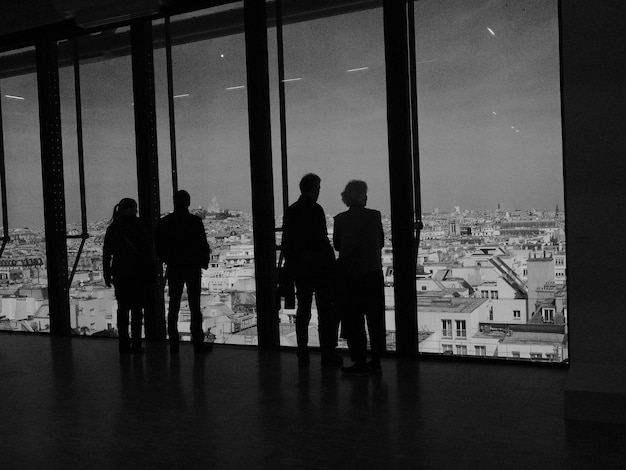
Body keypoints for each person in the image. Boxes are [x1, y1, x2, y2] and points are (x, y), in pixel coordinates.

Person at [282, 173, 342, 368]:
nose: (319, 191)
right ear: (312, 188)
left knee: (303, 310)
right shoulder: (316, 210)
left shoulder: (291, 210)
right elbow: (321, 239)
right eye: (318, 188)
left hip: (300, 268)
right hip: (319, 268)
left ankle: (303, 353)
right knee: (325, 311)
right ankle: (327, 354)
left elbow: (287, 242)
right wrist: (332, 261)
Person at [333, 180, 385, 375]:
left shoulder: (339, 220)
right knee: (375, 320)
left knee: (355, 321)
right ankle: (377, 360)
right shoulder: (374, 216)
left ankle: (360, 361)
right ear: (364, 196)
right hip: (372, 274)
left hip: (351, 276)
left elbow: (338, 246)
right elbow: (380, 242)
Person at [156, 190, 212, 354]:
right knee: (195, 306)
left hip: (175, 267)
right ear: (188, 202)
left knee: (173, 307)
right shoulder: (195, 221)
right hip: (192, 267)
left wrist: (169, 259)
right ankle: (198, 344)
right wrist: (203, 262)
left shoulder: (166, 221)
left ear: (174, 202)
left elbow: (159, 245)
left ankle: (173, 344)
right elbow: (202, 244)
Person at [103, 198, 152, 354]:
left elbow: (106, 254)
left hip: (120, 273)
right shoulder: (139, 226)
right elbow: (147, 250)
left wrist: (106, 273)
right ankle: (136, 344)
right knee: (137, 311)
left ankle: (123, 344)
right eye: (135, 208)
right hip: (138, 273)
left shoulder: (113, 228)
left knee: (122, 310)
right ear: (130, 209)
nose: (137, 211)